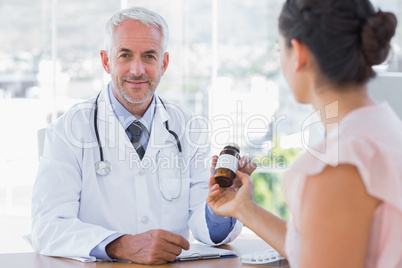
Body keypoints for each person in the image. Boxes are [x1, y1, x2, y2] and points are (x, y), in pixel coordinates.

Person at [31, 7, 254, 265]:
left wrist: (222, 210)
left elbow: (203, 226)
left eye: (149, 56)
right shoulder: (68, 130)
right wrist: (120, 245)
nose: (137, 70)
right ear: (106, 61)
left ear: (164, 63)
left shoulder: (190, 127)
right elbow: (48, 226)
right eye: (125, 55)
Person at [207, 0, 401, 267]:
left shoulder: (339, 164)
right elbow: (322, 245)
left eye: (279, 49)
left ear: (298, 52)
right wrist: (244, 209)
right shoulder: (383, 126)